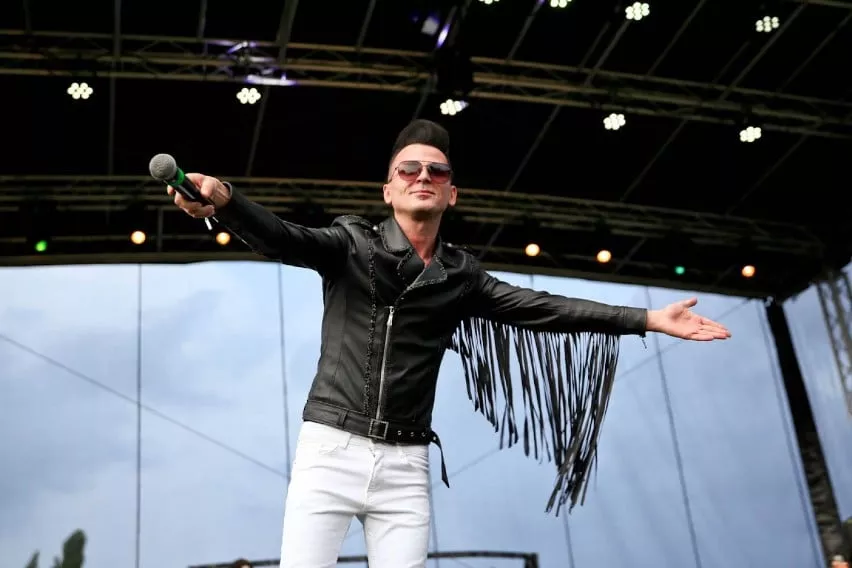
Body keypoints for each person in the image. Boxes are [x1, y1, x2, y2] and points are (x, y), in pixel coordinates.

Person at [167, 119, 731, 568]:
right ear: (388, 189)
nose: (423, 176)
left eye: (437, 171)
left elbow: (545, 308)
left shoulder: (462, 276)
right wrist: (226, 200)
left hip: (406, 465)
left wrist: (648, 318)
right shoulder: (350, 245)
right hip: (330, 451)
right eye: (409, 169)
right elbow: (281, 237)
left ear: (452, 193)